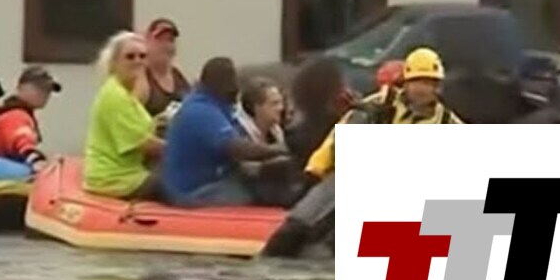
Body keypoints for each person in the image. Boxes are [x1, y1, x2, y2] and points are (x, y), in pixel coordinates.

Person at [304, 47, 463, 181]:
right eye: (417, 82)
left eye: (429, 83)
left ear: (438, 88)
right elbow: (341, 134)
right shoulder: (382, 103)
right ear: (406, 83)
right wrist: (315, 168)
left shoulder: (447, 122)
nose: (422, 89)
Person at [161, 58, 289, 208]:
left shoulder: (219, 106)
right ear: (217, 83)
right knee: (256, 195)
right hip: (195, 190)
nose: (236, 87)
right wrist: (278, 150)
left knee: (266, 183)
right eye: (231, 81)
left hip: (217, 179)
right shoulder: (200, 110)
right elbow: (236, 148)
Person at [83, 32, 164, 200]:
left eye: (142, 56)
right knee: (187, 184)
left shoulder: (125, 92)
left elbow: (140, 127)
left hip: (129, 173)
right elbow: (144, 143)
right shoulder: (116, 96)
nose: (137, 61)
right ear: (114, 62)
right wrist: (185, 150)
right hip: (116, 179)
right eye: (130, 57)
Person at [237, 77, 298, 206]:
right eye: (274, 104)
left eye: (281, 103)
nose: (281, 108)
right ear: (256, 107)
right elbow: (244, 170)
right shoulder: (239, 132)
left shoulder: (276, 130)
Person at [0, 66, 61, 171]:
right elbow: (22, 141)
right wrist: (37, 161)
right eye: (38, 88)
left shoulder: (13, 112)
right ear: (20, 88)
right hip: (4, 177)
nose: (45, 93)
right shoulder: (15, 116)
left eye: (48, 90)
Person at [141, 17, 191, 122]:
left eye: (170, 40)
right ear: (147, 41)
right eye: (160, 40)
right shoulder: (140, 76)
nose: (166, 46)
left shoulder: (178, 76)